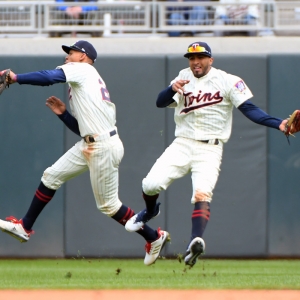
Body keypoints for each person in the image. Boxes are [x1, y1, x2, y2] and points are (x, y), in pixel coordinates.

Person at [0, 40, 169, 266]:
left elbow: (49, 77)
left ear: (83, 56)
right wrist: (63, 114)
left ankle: (153, 236)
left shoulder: (83, 70)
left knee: (108, 206)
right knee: (51, 176)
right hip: (92, 143)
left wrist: (16, 77)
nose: (67, 56)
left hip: (102, 147)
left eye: (71, 52)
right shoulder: (85, 80)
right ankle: (25, 227)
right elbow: (83, 130)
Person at [125, 41, 288, 267]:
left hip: (210, 147)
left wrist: (279, 124)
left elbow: (250, 110)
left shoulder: (228, 81)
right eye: (191, 58)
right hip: (182, 143)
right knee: (150, 185)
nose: (195, 62)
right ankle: (150, 211)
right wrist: (172, 89)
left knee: (202, 194)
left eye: (200, 57)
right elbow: (159, 102)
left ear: (210, 60)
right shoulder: (182, 76)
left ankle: (194, 242)